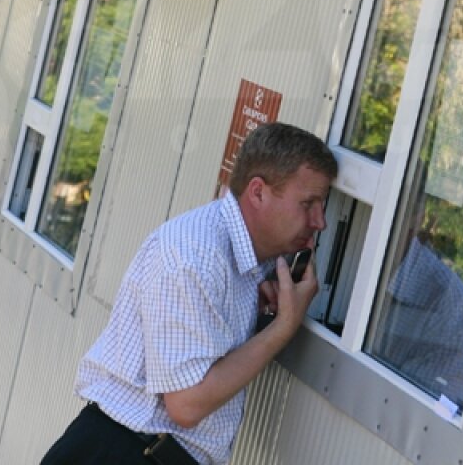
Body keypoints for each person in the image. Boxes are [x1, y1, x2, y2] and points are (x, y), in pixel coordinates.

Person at [40, 122, 337, 465]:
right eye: (308, 203)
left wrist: (261, 314)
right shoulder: (193, 256)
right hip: (121, 454)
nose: (320, 222)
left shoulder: (246, 259)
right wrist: (283, 326)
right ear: (258, 193)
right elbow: (187, 405)